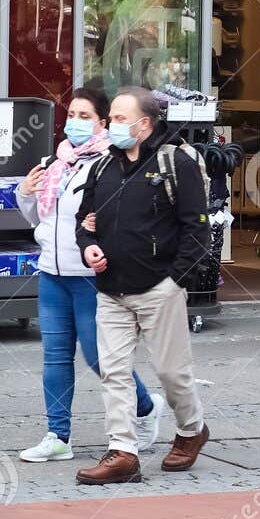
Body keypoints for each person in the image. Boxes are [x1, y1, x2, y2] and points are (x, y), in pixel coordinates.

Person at [72, 87, 212, 484]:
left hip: (159, 288)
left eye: (118, 119)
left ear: (144, 124)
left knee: (172, 372)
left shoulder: (176, 163)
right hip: (111, 289)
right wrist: (89, 248)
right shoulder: (102, 166)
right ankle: (123, 452)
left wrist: (175, 281)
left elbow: (197, 229)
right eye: (111, 118)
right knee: (114, 372)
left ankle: (191, 430)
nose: (110, 125)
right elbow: (84, 220)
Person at [15, 88, 162, 464]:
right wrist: (26, 194)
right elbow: (39, 220)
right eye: (72, 114)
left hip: (90, 276)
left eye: (85, 116)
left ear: (101, 122)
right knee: (55, 358)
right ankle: (57, 436)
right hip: (52, 273)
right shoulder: (55, 162)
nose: (75, 122)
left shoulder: (109, 164)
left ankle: (145, 408)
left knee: (99, 357)